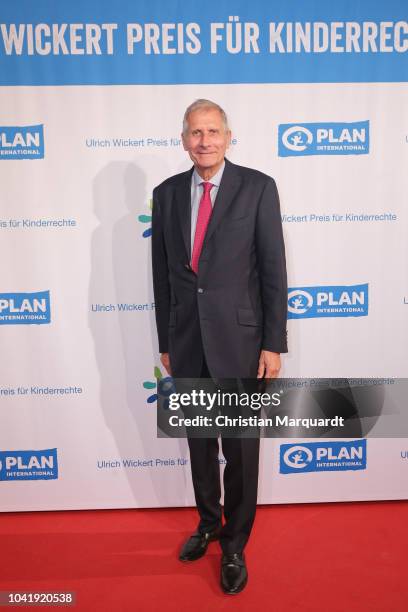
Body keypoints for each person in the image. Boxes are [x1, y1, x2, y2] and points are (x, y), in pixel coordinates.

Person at [151, 99, 288, 594]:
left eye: (212, 131)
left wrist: (273, 343)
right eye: (194, 132)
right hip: (187, 340)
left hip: (242, 340)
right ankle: (208, 523)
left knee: (241, 449)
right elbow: (163, 276)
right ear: (183, 139)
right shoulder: (165, 195)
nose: (203, 140)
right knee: (200, 444)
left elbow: (273, 271)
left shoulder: (257, 188)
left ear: (229, 137)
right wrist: (167, 339)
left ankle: (234, 544)